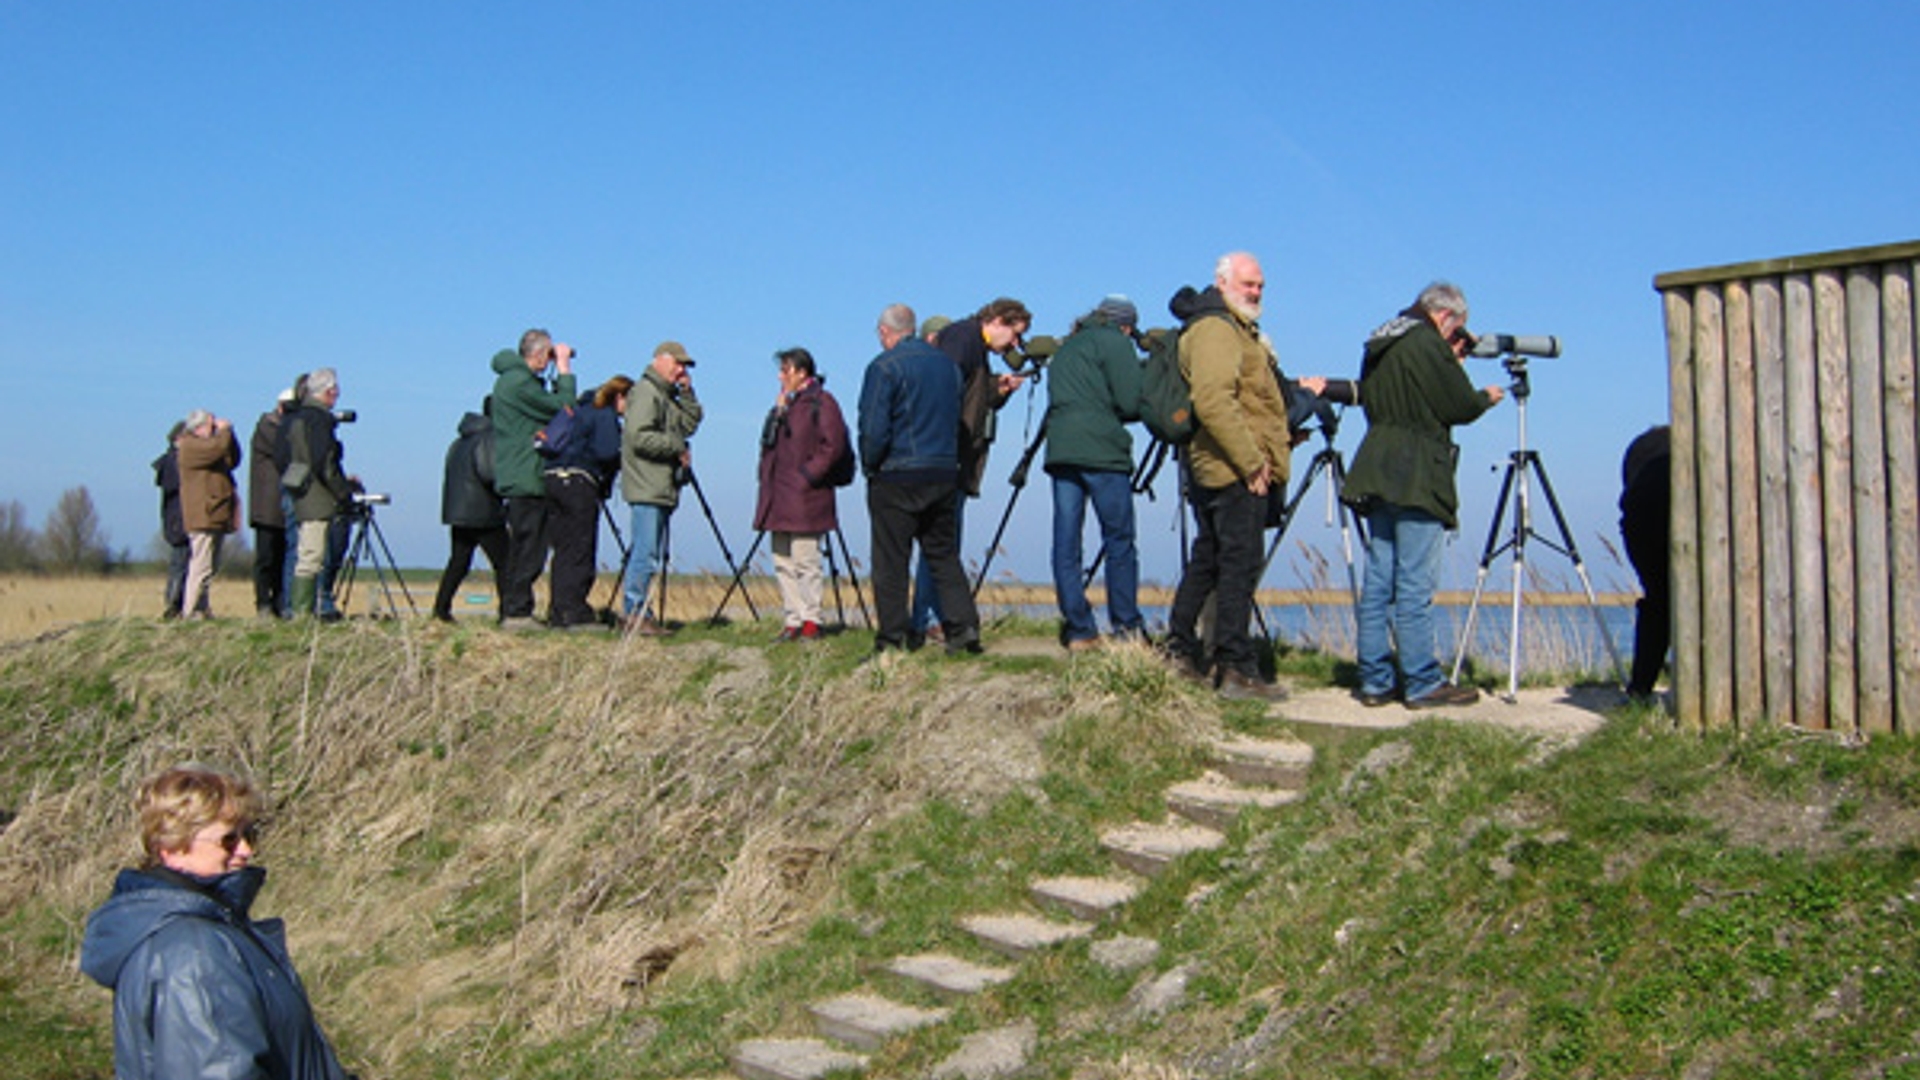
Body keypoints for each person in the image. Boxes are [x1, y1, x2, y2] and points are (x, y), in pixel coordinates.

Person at [80, 764, 353, 1080]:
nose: (246, 850)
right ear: (171, 846)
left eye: (248, 834)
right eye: (228, 840)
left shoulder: (213, 931)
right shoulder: (193, 953)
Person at [1163, 253, 1319, 701]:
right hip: (1234, 468)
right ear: (1223, 282)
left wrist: (1281, 437)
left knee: (1210, 557)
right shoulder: (1216, 328)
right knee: (1238, 562)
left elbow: (1251, 403)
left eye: (1260, 286)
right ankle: (1235, 667)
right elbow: (1214, 400)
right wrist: (1252, 461)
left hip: (1228, 462)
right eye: (1248, 284)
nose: (1255, 293)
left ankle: (1180, 649)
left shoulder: (1229, 327)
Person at [1343, 281, 1505, 709]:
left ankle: (1375, 680)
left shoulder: (1381, 338)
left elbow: (1375, 399)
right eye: (1458, 329)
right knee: (1415, 580)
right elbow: (1458, 407)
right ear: (1444, 316)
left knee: (1379, 578)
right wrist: (1484, 396)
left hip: (1376, 464)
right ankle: (1421, 681)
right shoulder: (1425, 342)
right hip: (1416, 471)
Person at [859, 302, 981, 654]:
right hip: (942, 471)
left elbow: (873, 428)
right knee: (942, 555)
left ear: (885, 331)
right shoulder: (947, 368)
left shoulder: (882, 368)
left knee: (891, 561)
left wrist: (871, 465)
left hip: (896, 474)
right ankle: (963, 627)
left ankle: (893, 637)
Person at [912, 298, 1033, 638]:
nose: (1014, 344)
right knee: (942, 545)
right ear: (997, 320)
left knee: (942, 545)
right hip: (949, 459)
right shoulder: (962, 340)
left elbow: (968, 398)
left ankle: (927, 620)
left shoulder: (970, 344)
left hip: (953, 458)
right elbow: (944, 394)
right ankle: (926, 621)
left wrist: (997, 388)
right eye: (1014, 334)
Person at [1044, 295, 1146, 650]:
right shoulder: (1115, 343)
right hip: (1103, 452)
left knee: (1066, 543)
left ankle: (1080, 628)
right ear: (1126, 325)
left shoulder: (1067, 348)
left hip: (1061, 451)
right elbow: (1131, 402)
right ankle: (1126, 626)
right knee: (1119, 541)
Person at [753, 347, 851, 641]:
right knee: (782, 559)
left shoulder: (821, 402)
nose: (781, 376)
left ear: (801, 372)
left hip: (806, 496)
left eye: (786, 370)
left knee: (805, 559)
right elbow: (770, 444)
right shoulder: (786, 405)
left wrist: (807, 476)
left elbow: (833, 445)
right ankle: (792, 619)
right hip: (777, 495)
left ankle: (811, 620)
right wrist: (778, 412)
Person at [490, 329, 577, 629]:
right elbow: (564, 407)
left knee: (523, 546)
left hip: (519, 472)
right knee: (530, 548)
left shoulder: (513, 381)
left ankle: (514, 610)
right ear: (539, 354)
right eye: (549, 354)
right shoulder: (519, 384)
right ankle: (517, 612)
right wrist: (564, 369)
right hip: (526, 475)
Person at [619, 342, 703, 636]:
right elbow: (638, 437)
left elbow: (689, 424)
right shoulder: (646, 392)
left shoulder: (666, 396)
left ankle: (640, 613)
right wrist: (676, 446)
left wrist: (687, 393)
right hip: (647, 485)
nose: (681, 370)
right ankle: (634, 612)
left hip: (659, 486)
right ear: (660, 360)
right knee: (645, 553)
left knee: (649, 551)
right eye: (678, 364)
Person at [544, 375, 630, 630]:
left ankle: (559, 610)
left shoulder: (580, 410)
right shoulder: (603, 414)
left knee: (563, 548)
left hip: (552, 479)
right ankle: (575, 611)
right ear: (620, 396)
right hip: (580, 481)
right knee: (580, 547)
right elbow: (606, 451)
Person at [282, 369, 355, 619]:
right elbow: (325, 462)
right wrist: (343, 492)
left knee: (305, 551)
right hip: (317, 494)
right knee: (312, 554)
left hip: (301, 489)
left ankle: (299, 609)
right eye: (335, 391)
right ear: (328, 392)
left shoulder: (294, 417)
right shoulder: (318, 419)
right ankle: (302, 612)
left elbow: (282, 456)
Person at [431, 399, 510, 623]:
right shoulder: (489, 438)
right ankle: (508, 612)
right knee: (505, 563)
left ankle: (441, 609)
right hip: (483, 512)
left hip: (458, 511)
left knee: (458, 562)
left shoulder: (459, 442)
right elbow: (489, 472)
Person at [1619, 424, 1672, 700]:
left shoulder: (1646, 450)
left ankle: (1641, 687)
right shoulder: (1659, 451)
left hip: (1640, 519)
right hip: (1647, 512)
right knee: (1662, 605)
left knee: (1658, 604)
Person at [176, 409, 241, 619]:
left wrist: (230, 435)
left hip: (214, 513)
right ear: (198, 428)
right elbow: (216, 448)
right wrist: (224, 432)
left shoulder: (208, 446)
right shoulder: (190, 446)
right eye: (211, 427)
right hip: (202, 514)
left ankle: (202, 607)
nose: (215, 430)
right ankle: (192, 609)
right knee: (201, 565)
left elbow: (232, 459)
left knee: (210, 566)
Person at [249, 389, 295, 619]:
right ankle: (263, 602)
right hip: (266, 504)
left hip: (280, 503)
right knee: (266, 557)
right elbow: (283, 451)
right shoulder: (267, 427)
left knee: (282, 557)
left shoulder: (281, 428)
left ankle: (278, 601)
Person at [153, 422, 193, 619]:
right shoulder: (173, 462)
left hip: (176, 518)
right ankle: (173, 604)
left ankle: (177, 604)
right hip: (178, 519)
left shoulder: (169, 461)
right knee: (179, 564)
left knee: (183, 563)